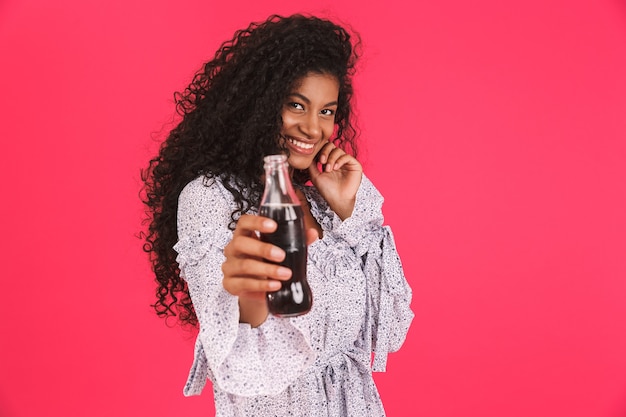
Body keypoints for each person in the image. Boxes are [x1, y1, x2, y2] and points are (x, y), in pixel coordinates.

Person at [142, 13, 414, 416]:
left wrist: (351, 211)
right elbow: (242, 366)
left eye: (326, 111)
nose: (311, 128)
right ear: (260, 102)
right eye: (296, 105)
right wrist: (250, 296)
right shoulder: (209, 197)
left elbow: (389, 328)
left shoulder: (324, 202)